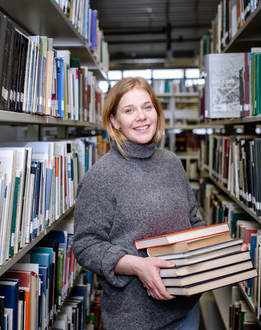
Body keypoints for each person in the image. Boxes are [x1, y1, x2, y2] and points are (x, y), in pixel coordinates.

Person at [73, 77, 206, 329]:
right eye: (129, 110)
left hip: (187, 307)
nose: (141, 116)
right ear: (114, 121)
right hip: (135, 318)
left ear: (157, 111)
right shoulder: (101, 176)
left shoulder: (172, 163)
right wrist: (137, 266)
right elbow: (85, 245)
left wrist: (221, 253)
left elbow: (192, 221)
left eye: (147, 107)